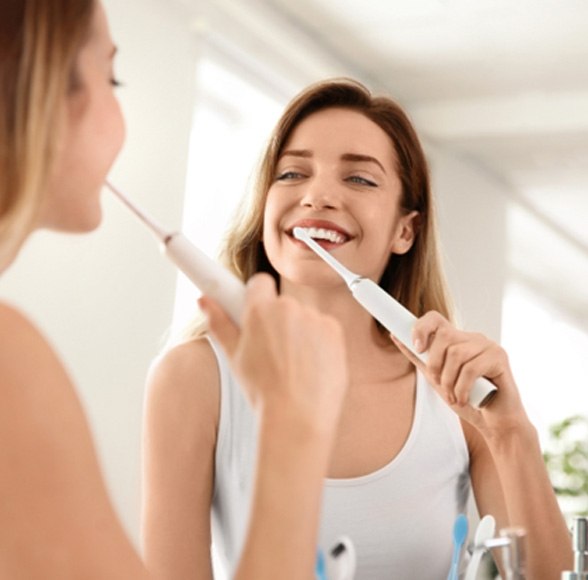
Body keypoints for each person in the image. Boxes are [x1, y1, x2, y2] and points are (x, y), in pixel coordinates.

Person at [143, 78, 574, 579]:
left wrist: (509, 434)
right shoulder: (194, 378)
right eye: (291, 173)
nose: (317, 195)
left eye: (360, 180)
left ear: (404, 230)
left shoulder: (456, 395)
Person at [0, 1, 349, 578]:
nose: (318, 197)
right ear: (39, 88)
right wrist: (294, 426)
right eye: (111, 75)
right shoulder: (10, 363)